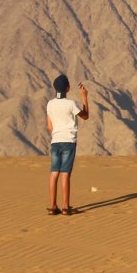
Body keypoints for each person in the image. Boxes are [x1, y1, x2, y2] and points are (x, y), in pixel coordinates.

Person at [45, 74, 90, 216]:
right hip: (68, 141)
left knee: (54, 173)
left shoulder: (50, 104)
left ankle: (53, 206)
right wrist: (84, 97)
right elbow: (85, 116)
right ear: (68, 88)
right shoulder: (71, 104)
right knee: (65, 174)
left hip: (55, 141)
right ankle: (65, 207)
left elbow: (50, 126)